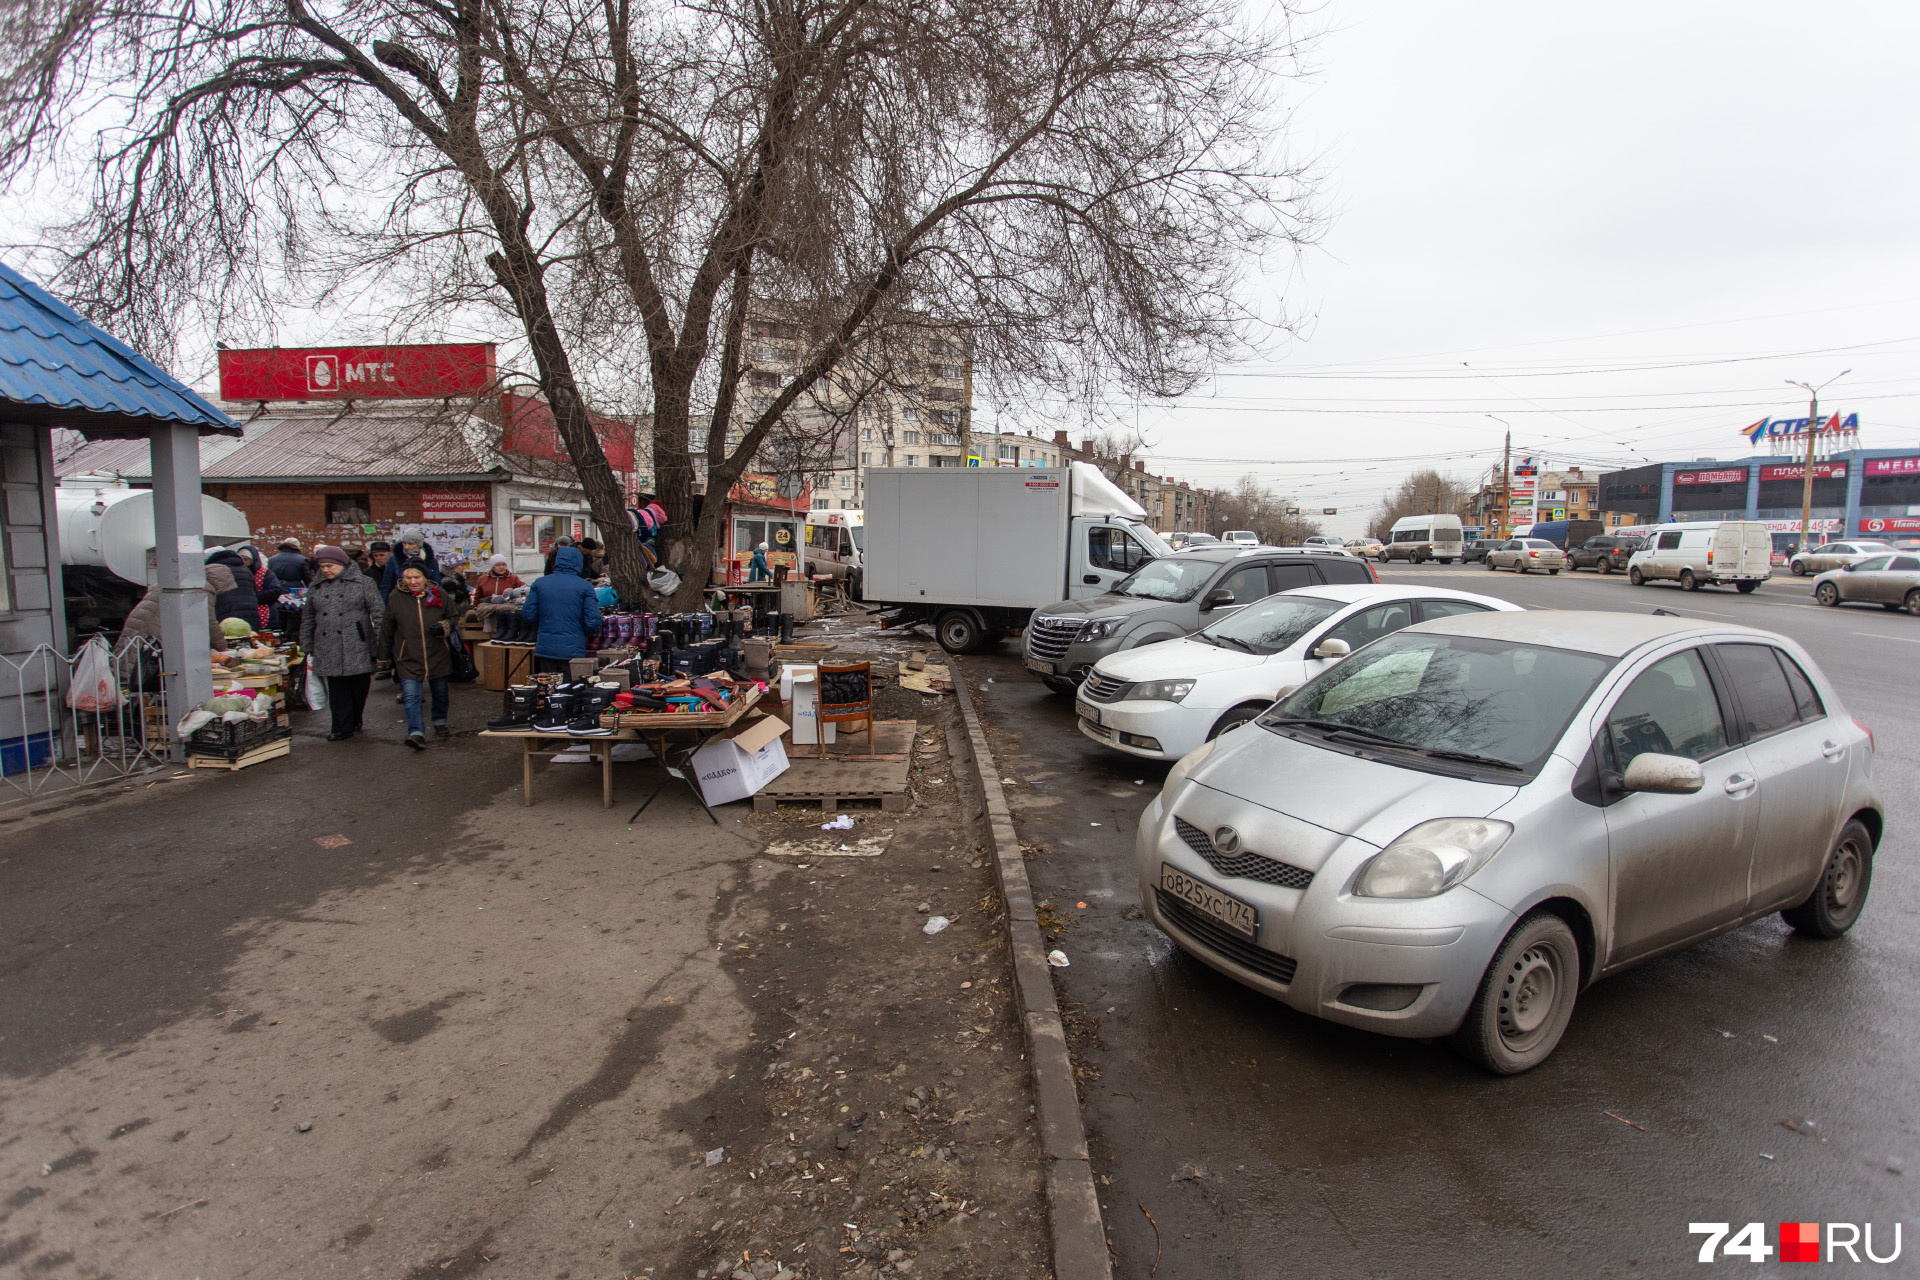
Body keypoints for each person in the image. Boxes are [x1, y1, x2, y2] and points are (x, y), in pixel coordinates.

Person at [300, 545, 384, 741]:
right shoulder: (316, 587)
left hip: (357, 641)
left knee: (359, 686)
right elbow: (308, 618)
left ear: (342, 563)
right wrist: (306, 645)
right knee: (337, 688)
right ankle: (341, 727)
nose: (326, 570)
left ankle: (355, 718)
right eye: (322, 566)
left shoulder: (364, 583)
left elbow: (379, 613)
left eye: (330, 565)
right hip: (326, 643)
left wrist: (382, 643)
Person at [379, 564, 454, 748]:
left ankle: (439, 721)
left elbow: (453, 617)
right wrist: (382, 657)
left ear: (425, 578)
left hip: (437, 653)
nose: (412, 582)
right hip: (408, 655)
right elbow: (387, 627)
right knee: (411, 696)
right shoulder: (396, 597)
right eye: (408, 577)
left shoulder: (439, 594)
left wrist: (445, 626)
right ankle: (416, 732)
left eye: (417, 577)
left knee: (440, 692)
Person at [521, 544, 601, 675]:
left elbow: (528, 613)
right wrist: (580, 632)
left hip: (546, 648)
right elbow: (592, 620)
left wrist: (544, 625)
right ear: (578, 563)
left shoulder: (540, 583)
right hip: (573, 648)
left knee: (548, 688)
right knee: (570, 689)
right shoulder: (585, 586)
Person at [204, 549, 263, 628]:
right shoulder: (246, 570)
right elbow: (254, 592)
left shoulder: (213, 571)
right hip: (251, 613)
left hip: (227, 614)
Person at [234, 544, 286, 631]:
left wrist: (252, 597)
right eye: (240, 559)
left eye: (245, 559)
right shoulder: (235, 573)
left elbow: (275, 591)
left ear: (253, 560)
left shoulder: (265, 574)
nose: (243, 562)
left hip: (264, 613)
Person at [380, 526, 440, 600]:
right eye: (404, 543)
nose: (406, 547)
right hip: (401, 600)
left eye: (410, 544)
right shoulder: (394, 560)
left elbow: (437, 584)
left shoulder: (431, 560)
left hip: (426, 600)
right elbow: (386, 585)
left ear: (419, 544)